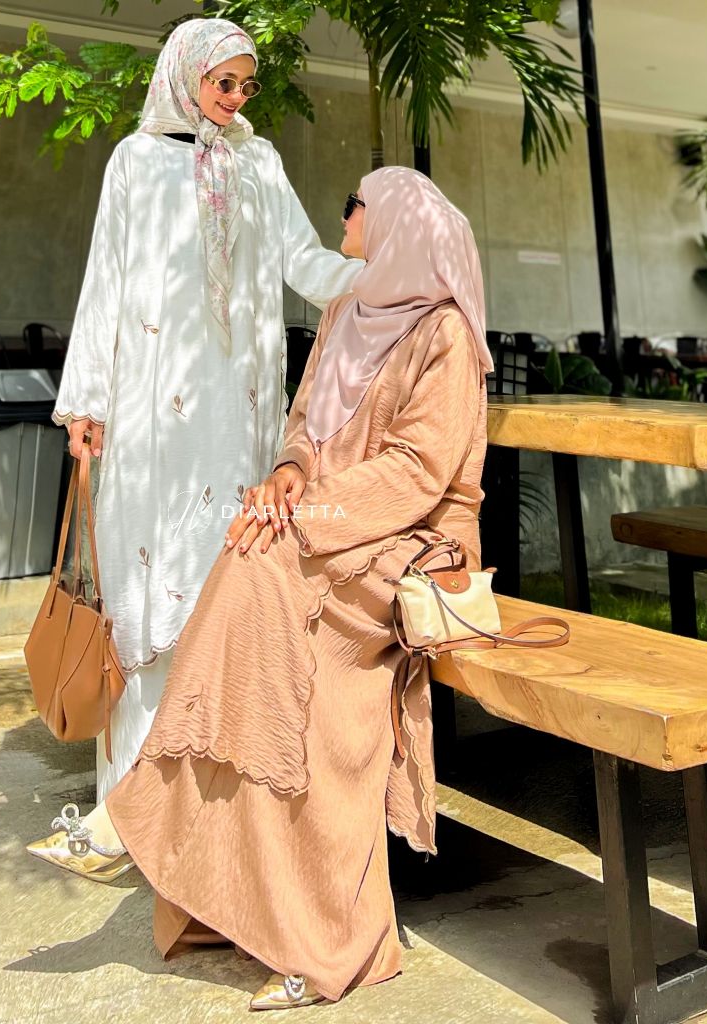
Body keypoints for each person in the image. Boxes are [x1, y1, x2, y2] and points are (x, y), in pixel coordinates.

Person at [80, 166, 495, 1008]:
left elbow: (419, 472)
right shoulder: (347, 311)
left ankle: (318, 933)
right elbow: (303, 424)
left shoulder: (445, 333)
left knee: (267, 587)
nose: (344, 222)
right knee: (253, 591)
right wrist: (286, 479)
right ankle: (233, 903)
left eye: (354, 208)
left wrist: (304, 517)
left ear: (398, 225)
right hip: (326, 529)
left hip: (406, 543)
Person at [33, 17, 362, 878]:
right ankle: (126, 812)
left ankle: (206, 822)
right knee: (146, 588)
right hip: (150, 419)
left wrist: (384, 278)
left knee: (225, 588)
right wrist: (86, 401)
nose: (236, 98)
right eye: (224, 82)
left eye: (247, 86)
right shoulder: (135, 162)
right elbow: (105, 280)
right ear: (186, 75)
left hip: (236, 417)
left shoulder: (260, 163)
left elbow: (303, 261)